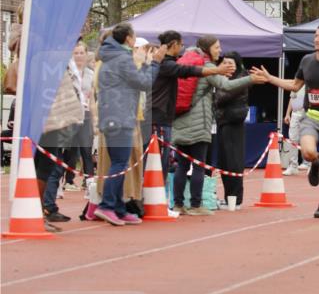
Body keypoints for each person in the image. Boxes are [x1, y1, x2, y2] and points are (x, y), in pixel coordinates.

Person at [255, 23, 319, 219]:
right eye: (315, 36)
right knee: (308, 152)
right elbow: (294, 86)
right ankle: (314, 162)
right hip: (311, 117)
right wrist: (270, 78)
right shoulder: (306, 61)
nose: (316, 39)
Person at [172, 36, 265, 216]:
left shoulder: (186, 62)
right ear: (207, 49)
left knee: (182, 165)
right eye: (217, 47)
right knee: (200, 165)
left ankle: (177, 204)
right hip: (199, 124)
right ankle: (196, 204)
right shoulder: (206, 67)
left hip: (180, 119)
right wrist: (250, 79)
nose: (219, 51)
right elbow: (227, 86)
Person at [95, 23, 166, 225]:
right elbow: (143, 83)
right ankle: (107, 205)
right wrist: (150, 64)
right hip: (120, 116)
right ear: (128, 38)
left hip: (113, 115)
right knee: (119, 163)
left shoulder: (111, 56)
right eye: (134, 37)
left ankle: (118, 206)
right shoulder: (122, 58)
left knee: (121, 162)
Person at [150, 29, 233, 182]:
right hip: (160, 118)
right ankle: (156, 201)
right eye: (180, 44)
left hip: (166, 119)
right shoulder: (165, 65)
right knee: (160, 162)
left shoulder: (166, 64)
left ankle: (162, 200)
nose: (182, 48)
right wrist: (218, 70)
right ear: (173, 45)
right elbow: (189, 70)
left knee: (170, 163)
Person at [35, 59, 85, 230]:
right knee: (45, 166)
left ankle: (40, 211)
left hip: (53, 117)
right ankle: (39, 213)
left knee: (46, 165)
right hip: (49, 118)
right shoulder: (50, 59)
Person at [215, 50, 251, 209]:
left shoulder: (241, 77)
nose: (227, 66)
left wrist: (220, 85)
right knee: (224, 161)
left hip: (233, 122)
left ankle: (236, 199)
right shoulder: (224, 78)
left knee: (233, 161)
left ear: (237, 64)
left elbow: (222, 97)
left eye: (231, 63)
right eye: (225, 62)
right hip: (222, 121)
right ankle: (229, 197)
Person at [62, 39, 95, 190]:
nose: (79, 56)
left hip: (86, 114)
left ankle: (89, 181)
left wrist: (95, 117)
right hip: (70, 114)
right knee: (70, 149)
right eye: (76, 53)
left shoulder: (91, 73)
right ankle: (68, 180)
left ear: (86, 55)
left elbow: (93, 96)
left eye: (82, 53)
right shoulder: (67, 72)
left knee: (86, 149)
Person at [282, 84, 309, 175]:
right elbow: (292, 98)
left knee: (308, 139)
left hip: (308, 114)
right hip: (295, 113)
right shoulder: (296, 83)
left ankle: (309, 164)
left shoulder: (313, 81)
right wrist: (287, 114)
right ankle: (293, 166)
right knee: (293, 139)